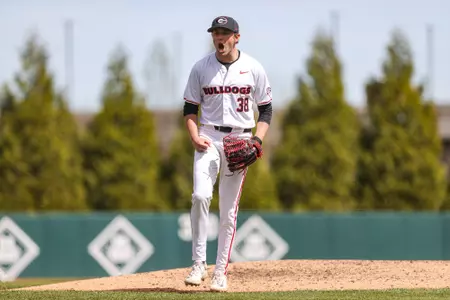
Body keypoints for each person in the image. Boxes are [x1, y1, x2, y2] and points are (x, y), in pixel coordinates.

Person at [182, 15, 273, 292]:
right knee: (200, 196)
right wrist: (194, 135)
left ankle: (220, 271)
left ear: (236, 37)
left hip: (239, 140)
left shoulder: (253, 68)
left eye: (224, 33)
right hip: (208, 137)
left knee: (228, 212)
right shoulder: (201, 68)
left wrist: (257, 139)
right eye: (215, 33)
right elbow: (189, 109)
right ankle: (199, 264)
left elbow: (266, 109)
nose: (219, 37)